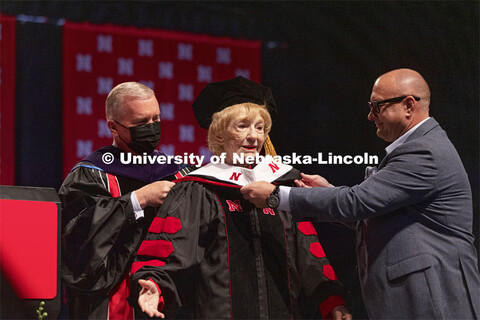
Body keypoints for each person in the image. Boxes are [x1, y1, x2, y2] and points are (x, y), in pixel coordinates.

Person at [241, 68, 480, 319]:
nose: (369, 116)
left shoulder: (424, 152)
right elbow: (374, 213)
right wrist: (330, 192)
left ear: (409, 105)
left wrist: (277, 195)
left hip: (433, 301)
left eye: (377, 107)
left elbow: (357, 202)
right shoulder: (420, 146)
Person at [128, 76, 352, 319]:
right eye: (242, 125)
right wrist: (153, 283)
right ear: (220, 134)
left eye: (259, 127)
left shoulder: (282, 185)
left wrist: (332, 299)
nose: (254, 137)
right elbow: (171, 246)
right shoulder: (198, 189)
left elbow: (308, 254)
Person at [59, 82, 191, 319]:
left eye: (156, 119)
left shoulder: (178, 172)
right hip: (112, 299)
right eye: (141, 123)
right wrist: (137, 200)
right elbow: (76, 237)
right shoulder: (91, 174)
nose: (151, 128)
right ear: (113, 127)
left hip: (169, 294)